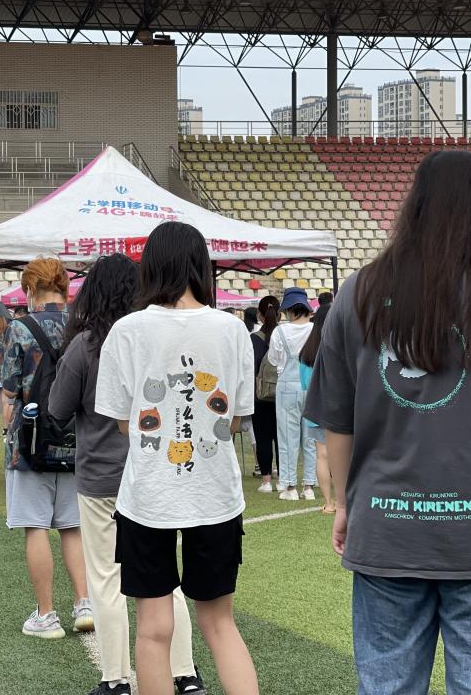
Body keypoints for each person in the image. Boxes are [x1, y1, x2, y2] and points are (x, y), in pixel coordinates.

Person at [304, 150, 471, 695]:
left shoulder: (358, 292)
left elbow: (337, 422)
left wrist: (346, 505)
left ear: (414, 207)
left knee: (388, 685)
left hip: (388, 526)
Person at [95, 221, 257, 695]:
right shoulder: (233, 330)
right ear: (201, 266)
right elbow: (234, 420)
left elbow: (123, 423)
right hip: (216, 497)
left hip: (148, 497)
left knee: (153, 629)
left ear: (150, 267)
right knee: (220, 624)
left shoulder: (126, 331)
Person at [50, 253, 208, 695]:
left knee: (105, 578)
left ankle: (116, 678)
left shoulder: (85, 346)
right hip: (151, 473)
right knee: (165, 577)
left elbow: (57, 409)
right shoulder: (154, 341)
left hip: (101, 477)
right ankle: (184, 672)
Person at [0, 257, 92, 640]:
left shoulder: (18, 328)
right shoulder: (82, 327)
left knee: (36, 526)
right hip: (76, 438)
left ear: (30, 288)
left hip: (31, 441)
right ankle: (84, 604)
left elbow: (10, 389)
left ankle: (46, 614)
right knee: (73, 527)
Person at [268, 287, 316, 501]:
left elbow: (273, 359)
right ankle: (309, 486)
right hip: (311, 385)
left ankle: (289, 486)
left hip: (288, 385)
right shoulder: (316, 329)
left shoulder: (280, 331)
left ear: (289, 309)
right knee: (310, 438)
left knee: (288, 437)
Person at [298, 304, 335, 514]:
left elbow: (304, 384)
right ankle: (344, 501)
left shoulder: (307, 351)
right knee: (343, 454)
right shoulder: (337, 346)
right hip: (338, 408)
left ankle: (328, 503)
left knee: (322, 455)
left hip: (315, 407)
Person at [251, 296, 280, 492]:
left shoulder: (253, 340)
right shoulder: (284, 336)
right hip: (283, 393)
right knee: (282, 438)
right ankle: (284, 478)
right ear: (279, 314)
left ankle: (266, 481)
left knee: (262, 438)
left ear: (259, 315)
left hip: (259, 395)